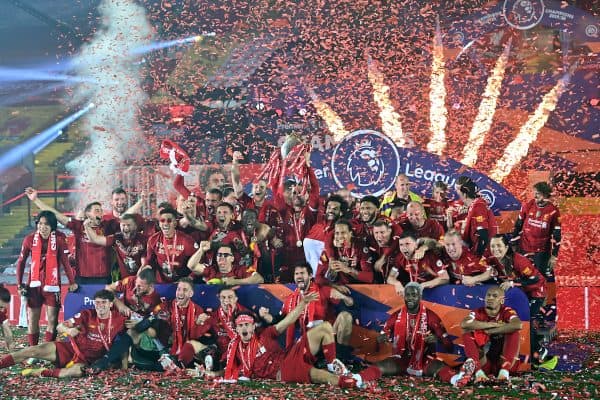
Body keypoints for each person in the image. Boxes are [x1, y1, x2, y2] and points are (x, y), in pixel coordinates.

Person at [223, 293, 379, 389]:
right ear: (237, 329)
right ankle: (352, 380)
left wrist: (302, 304)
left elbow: (287, 321)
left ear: (252, 326)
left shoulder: (265, 334)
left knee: (324, 327)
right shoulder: (235, 349)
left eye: (247, 325)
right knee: (323, 377)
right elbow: (226, 368)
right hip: (283, 372)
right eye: (241, 326)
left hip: (290, 355)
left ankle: (332, 364)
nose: (244, 328)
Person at [0, 290, 126, 378]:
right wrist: (69, 330)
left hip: (89, 360)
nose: (100, 306)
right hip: (70, 349)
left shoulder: (120, 320)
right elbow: (60, 326)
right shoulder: (87, 314)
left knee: (76, 372)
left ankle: (41, 372)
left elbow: (131, 337)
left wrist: (124, 364)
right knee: (31, 350)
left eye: (103, 302)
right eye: (97, 302)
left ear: (110, 304)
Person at [374, 283, 474, 387]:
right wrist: (380, 339)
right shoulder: (395, 316)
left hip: (424, 359)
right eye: (407, 295)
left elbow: (449, 346)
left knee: (438, 366)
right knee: (383, 365)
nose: (410, 298)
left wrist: (436, 340)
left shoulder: (432, 317)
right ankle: (357, 378)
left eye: (414, 295)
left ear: (420, 296)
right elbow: (378, 342)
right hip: (401, 359)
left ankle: (457, 379)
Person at [260, 263, 355, 357]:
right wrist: (267, 316)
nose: (299, 276)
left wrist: (345, 298)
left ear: (310, 275)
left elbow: (350, 305)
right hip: (309, 342)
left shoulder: (322, 290)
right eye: (296, 274)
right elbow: (281, 321)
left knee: (345, 316)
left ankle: (342, 357)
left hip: (330, 336)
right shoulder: (291, 300)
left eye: (302, 273)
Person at [25, 187, 116, 283]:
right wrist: (36, 200)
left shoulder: (108, 226)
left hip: (103, 277)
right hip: (82, 278)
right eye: (97, 210)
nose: (101, 213)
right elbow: (56, 215)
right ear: (88, 214)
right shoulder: (79, 226)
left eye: (101, 210)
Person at [15, 210, 78, 345]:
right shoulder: (29, 239)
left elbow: (66, 262)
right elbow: (21, 262)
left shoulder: (60, 238)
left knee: (53, 320)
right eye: (40, 224)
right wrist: (19, 284)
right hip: (33, 285)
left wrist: (72, 282)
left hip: (53, 285)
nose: (43, 227)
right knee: (33, 319)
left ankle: (47, 350)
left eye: (47, 225)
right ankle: (34, 351)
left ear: (53, 227)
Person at [489, 235, 547, 363]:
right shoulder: (495, 261)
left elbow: (535, 279)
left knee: (527, 322)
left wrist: (513, 283)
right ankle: (533, 352)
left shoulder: (519, 260)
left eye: (499, 245)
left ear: (506, 247)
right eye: (492, 246)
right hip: (523, 294)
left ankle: (537, 354)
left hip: (536, 292)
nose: (495, 249)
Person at [460, 286, 523, 383]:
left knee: (514, 331)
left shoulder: (507, 311)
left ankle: (504, 373)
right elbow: (464, 324)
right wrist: (489, 325)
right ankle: (478, 373)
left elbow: (518, 324)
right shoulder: (478, 312)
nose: (490, 298)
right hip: (485, 365)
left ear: (501, 301)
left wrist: (491, 331)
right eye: (488, 295)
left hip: (505, 363)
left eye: (494, 296)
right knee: (467, 331)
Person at [511, 182, 561, 279]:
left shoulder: (553, 211)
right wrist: (513, 243)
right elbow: (518, 225)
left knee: (541, 278)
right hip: (524, 249)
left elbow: (557, 235)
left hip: (541, 252)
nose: (535, 195)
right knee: (522, 276)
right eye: (534, 192)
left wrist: (554, 256)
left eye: (537, 193)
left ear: (545, 194)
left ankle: (546, 294)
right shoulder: (528, 205)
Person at [84, 213, 147, 279]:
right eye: (123, 225)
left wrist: (140, 275)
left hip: (143, 279)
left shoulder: (144, 239)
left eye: (129, 225)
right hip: (125, 281)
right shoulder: (116, 238)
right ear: (120, 226)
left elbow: (146, 261)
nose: (126, 228)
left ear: (135, 226)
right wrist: (87, 226)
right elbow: (96, 239)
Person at [144, 207, 198, 283]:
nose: (166, 223)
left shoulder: (186, 240)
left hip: (182, 283)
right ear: (159, 224)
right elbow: (149, 262)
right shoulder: (153, 240)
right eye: (162, 221)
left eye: (169, 221)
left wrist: (189, 278)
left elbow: (199, 262)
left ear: (175, 223)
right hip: (161, 283)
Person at [316, 219, 375, 289]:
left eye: (343, 233)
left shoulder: (360, 247)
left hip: (358, 289)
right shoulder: (328, 251)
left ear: (351, 233)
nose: (340, 236)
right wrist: (334, 286)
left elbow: (369, 277)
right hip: (338, 289)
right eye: (337, 233)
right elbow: (318, 277)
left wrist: (348, 270)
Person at [303, 195, 348, 273]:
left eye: (335, 209)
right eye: (329, 208)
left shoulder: (341, 231)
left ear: (341, 213)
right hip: (310, 275)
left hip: (326, 276)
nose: (331, 211)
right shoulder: (317, 225)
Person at [455, 180, 497, 256]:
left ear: (464, 194)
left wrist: (478, 256)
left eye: (457, 191)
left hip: (484, 253)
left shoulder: (478, 206)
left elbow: (483, 234)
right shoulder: (477, 204)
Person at [190, 243, 264, 285]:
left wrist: (235, 282)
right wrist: (201, 250)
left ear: (232, 258)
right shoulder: (211, 269)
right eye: (219, 255)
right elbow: (191, 266)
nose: (222, 257)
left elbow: (259, 279)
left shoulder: (240, 269)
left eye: (225, 255)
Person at [0, 285, 14, 351]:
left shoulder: (2, 313)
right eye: (0, 307)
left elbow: (6, 329)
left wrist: (10, 342)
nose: (2, 310)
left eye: (4, 307)